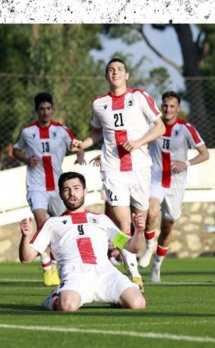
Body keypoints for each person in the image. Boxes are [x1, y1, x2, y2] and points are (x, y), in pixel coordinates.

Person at [71, 58, 165, 290]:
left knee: (141, 221)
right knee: (124, 225)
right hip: (113, 170)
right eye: (111, 70)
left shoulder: (140, 97)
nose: (115, 73)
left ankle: (147, 244)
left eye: (120, 70)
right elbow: (97, 132)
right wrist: (82, 144)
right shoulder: (99, 103)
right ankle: (134, 275)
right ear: (106, 76)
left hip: (140, 168)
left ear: (127, 75)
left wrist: (139, 141)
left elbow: (160, 127)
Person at [19, 171, 147, 311]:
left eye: (76, 188)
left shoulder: (102, 220)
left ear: (85, 191)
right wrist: (25, 236)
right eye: (66, 189)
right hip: (75, 275)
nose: (72, 193)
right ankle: (54, 298)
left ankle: (117, 298)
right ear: (61, 194)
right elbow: (26, 257)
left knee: (138, 303)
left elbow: (132, 247)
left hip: (106, 272)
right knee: (67, 306)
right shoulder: (52, 223)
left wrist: (139, 232)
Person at [13, 92, 85, 286]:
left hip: (57, 188)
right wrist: (27, 159)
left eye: (48, 108)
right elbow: (15, 149)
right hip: (36, 186)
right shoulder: (28, 131)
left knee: (60, 227)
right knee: (42, 222)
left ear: (52, 109)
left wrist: (80, 155)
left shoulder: (61, 130)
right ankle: (46, 265)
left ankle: (59, 263)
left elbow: (78, 144)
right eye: (41, 109)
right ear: (36, 111)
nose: (45, 112)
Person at [137, 91, 209, 282]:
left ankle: (157, 265)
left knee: (168, 227)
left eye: (171, 106)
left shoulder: (186, 128)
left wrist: (186, 163)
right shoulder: (153, 126)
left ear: (178, 108)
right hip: (155, 178)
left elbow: (204, 154)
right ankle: (149, 246)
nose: (168, 110)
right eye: (165, 106)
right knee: (151, 212)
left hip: (176, 184)